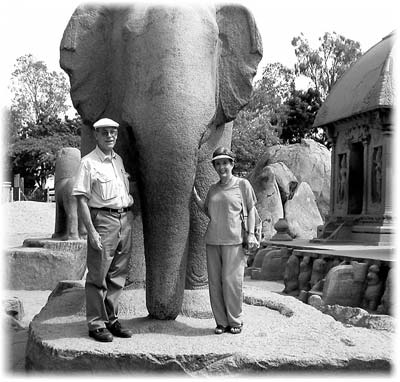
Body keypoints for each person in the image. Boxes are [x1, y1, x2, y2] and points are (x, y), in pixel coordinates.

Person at [72, 117, 134, 342]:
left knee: (117, 274)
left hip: (124, 219)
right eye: (105, 132)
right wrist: (92, 231)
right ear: (96, 135)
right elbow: (81, 200)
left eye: (113, 132)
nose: (110, 136)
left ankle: (111, 319)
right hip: (103, 220)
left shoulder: (118, 161)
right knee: (98, 274)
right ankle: (96, 324)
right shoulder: (88, 163)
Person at [193, 146, 259, 335]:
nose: (222, 167)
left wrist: (251, 233)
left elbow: (251, 209)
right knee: (214, 283)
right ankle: (221, 322)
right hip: (213, 240)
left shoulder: (242, 185)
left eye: (225, 163)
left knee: (232, 282)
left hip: (234, 240)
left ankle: (235, 320)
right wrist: (195, 196)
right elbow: (208, 211)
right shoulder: (213, 188)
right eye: (218, 164)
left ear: (232, 164)